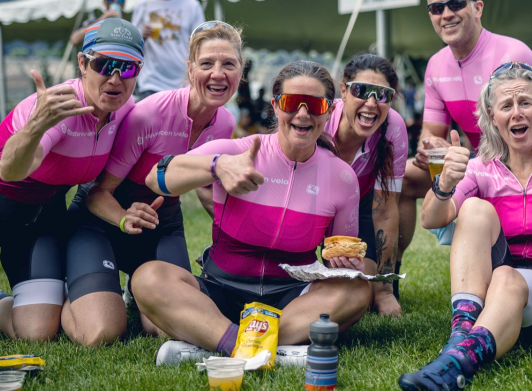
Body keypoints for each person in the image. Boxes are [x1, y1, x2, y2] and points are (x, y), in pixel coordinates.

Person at [130, 60, 371, 365]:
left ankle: (216, 344)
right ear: (275, 106)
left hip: (291, 299)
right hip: (220, 291)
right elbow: (156, 178)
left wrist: (343, 261)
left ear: (330, 110)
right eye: (292, 103)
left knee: (357, 289)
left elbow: (339, 255)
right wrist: (217, 165)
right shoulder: (237, 151)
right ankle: (270, 351)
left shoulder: (342, 178)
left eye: (314, 105)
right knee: (148, 278)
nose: (302, 114)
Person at [0, 18, 143, 354]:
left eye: (128, 68)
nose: (116, 78)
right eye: (105, 64)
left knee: (35, 332)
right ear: (83, 64)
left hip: (37, 220)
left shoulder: (124, 108)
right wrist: (35, 127)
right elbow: (12, 170)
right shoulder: (57, 107)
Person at [397, 62, 532, 391]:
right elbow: (432, 220)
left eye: (525, 102)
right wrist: (445, 182)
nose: (516, 113)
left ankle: (458, 363)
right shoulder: (481, 168)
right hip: (502, 287)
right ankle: (462, 333)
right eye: (506, 106)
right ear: (493, 117)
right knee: (475, 209)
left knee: (508, 277)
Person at [61, 21, 241, 347]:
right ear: (189, 69)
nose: (218, 73)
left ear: (241, 71)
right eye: (207, 64)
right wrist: (122, 218)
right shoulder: (149, 115)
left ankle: (135, 289)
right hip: (101, 221)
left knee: (166, 328)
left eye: (229, 63)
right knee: (101, 333)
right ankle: (74, 286)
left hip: (161, 222)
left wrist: (227, 236)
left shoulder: (226, 122)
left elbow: (203, 185)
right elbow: (96, 192)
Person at [398, 0, 532, 268]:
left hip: (521, 160)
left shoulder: (510, 53)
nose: (446, 14)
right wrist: (431, 148)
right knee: (400, 178)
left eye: (456, 4)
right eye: (437, 8)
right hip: (478, 162)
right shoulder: (436, 65)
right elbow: (431, 136)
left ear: (477, 8)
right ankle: (388, 279)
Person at [326, 54, 408, 317]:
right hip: (314, 207)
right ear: (344, 91)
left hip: (358, 206)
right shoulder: (322, 121)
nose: (371, 103)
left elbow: (385, 209)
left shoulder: (393, 126)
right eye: (361, 90)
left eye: (382, 95)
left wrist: (384, 290)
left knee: (360, 289)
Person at [131, 0, 206, 100]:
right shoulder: (144, 5)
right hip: (150, 81)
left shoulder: (191, 6)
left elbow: (201, 43)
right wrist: (142, 35)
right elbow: (131, 44)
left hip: (182, 81)